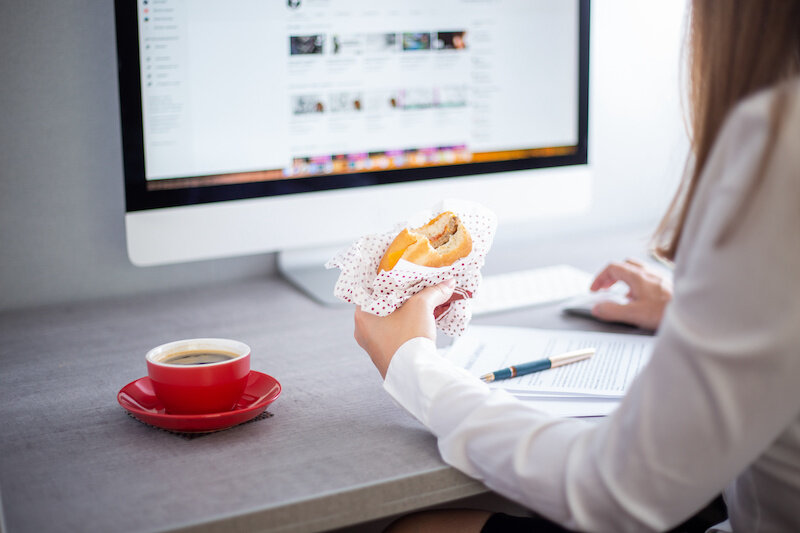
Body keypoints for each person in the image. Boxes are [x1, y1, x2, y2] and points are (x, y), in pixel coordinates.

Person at [353, 2, 800, 532]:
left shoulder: (781, 139)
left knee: (418, 528)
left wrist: (412, 365)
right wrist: (719, 316)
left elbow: (617, 491)